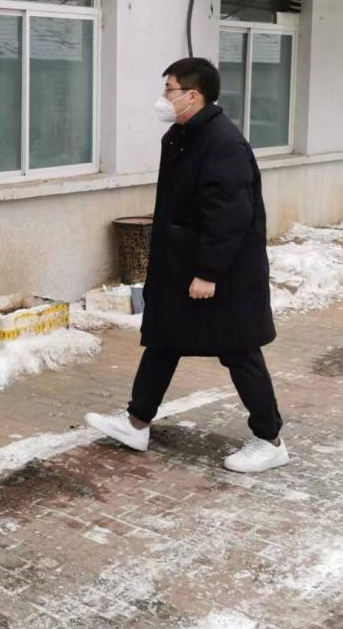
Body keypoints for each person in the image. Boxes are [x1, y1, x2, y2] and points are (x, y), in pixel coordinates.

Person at [85, 58, 288, 474]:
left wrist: (208, 272)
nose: (163, 97)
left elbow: (229, 216)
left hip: (222, 273)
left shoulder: (222, 143)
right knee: (164, 340)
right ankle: (137, 422)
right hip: (181, 265)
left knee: (239, 350)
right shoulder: (183, 136)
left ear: (192, 96)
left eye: (170, 89)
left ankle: (270, 441)